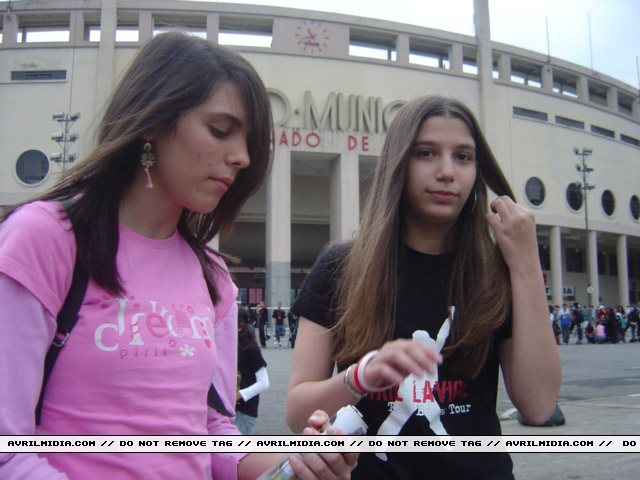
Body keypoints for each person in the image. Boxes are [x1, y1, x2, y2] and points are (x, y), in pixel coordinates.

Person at [0, 32, 356, 480]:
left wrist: (295, 465)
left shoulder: (214, 278)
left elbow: (212, 434)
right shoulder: (46, 238)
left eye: (249, 142)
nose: (242, 157)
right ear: (154, 120)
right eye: (221, 131)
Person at [285, 96, 561, 479]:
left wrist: (527, 265)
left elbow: (539, 405)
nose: (447, 171)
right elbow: (297, 410)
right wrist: (361, 377)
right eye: (427, 153)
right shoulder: (341, 267)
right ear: (400, 162)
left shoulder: (497, 273)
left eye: (463, 157)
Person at [235, 316, 269, 435]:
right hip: (226, 410)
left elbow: (264, 382)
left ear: (239, 327)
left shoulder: (251, 349)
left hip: (243, 411)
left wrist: (239, 395)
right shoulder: (228, 347)